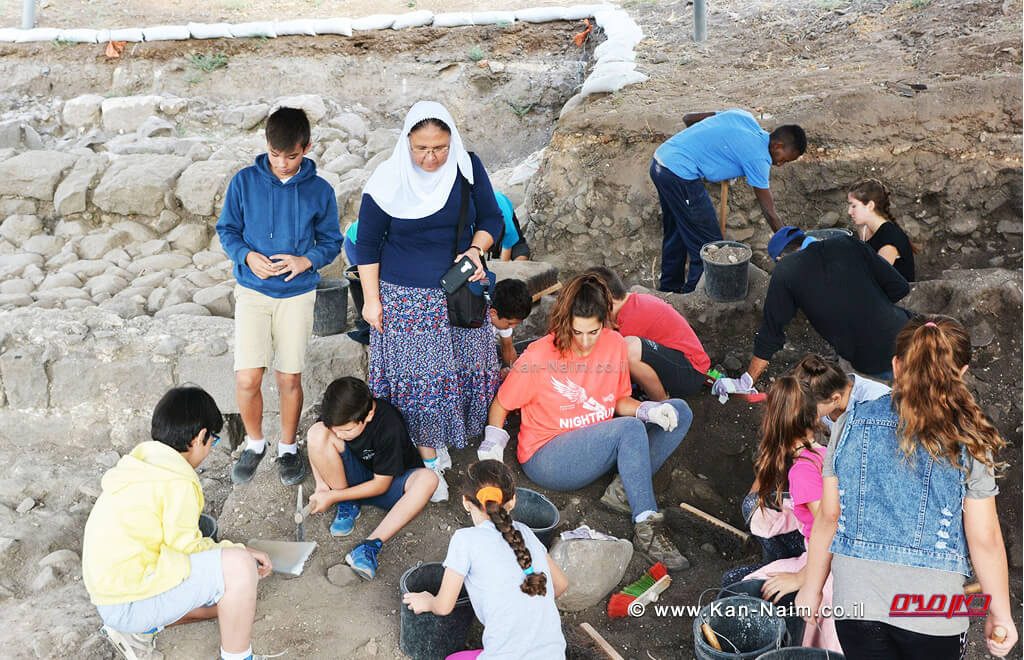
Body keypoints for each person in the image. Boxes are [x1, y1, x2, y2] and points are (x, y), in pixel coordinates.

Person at [797, 316, 1017, 659]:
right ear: (960, 373)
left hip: (857, 604)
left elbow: (829, 516)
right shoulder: (970, 438)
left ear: (897, 366)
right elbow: (984, 539)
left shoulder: (849, 423)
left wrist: (811, 588)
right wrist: (999, 612)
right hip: (931, 609)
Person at [481, 274, 693, 569]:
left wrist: (649, 411)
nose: (584, 342)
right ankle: (647, 526)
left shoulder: (614, 344)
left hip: (596, 445)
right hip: (549, 457)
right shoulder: (541, 354)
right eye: (576, 332)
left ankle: (622, 492)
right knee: (629, 429)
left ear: (604, 321)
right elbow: (502, 404)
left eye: (592, 332)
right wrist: (493, 441)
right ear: (565, 321)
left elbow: (618, 400)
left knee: (680, 410)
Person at [353, 101, 504, 503]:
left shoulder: (467, 167)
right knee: (421, 382)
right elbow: (366, 245)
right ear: (406, 142)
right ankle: (430, 459)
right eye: (421, 148)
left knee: (466, 368)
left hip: (460, 293)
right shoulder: (388, 180)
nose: (431, 157)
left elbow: (493, 219)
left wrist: (476, 250)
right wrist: (371, 302)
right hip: (406, 298)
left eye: (439, 147)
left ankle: (456, 437)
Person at [82, 386, 274, 660]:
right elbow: (188, 548)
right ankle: (238, 656)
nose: (210, 450)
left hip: (112, 596)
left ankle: (143, 628)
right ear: (200, 437)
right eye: (213, 441)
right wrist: (240, 552)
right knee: (240, 569)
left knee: (225, 588)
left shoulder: (142, 463)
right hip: (129, 604)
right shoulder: (178, 482)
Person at [216, 107, 343, 486]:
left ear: (307, 148)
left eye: (292, 156)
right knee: (247, 379)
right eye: (276, 155)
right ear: (266, 147)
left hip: (297, 295)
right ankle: (255, 444)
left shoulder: (320, 190)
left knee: (289, 378)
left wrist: (306, 260)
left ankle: (288, 448)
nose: (284, 164)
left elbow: (332, 242)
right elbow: (227, 231)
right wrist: (247, 256)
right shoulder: (243, 183)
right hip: (252, 292)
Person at [713, 226, 912, 399]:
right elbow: (899, 287)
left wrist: (746, 381)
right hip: (910, 336)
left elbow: (770, 335)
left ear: (781, 257)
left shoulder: (786, 271)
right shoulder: (848, 243)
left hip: (868, 362)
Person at [402, 460, 568, 659]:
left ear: (465, 502)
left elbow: (444, 606)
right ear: (513, 500)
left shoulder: (465, 540)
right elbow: (561, 585)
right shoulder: (526, 534)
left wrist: (429, 602)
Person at [722, 377, 841, 652]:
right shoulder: (823, 453)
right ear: (814, 416)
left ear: (771, 421)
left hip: (827, 566)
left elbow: (832, 525)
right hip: (825, 557)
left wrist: (803, 579)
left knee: (736, 588)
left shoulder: (802, 471)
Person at [651, 108, 807, 293]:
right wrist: (788, 243)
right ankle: (693, 298)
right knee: (709, 246)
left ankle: (669, 290)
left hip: (661, 162)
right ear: (777, 146)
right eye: (784, 160)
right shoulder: (759, 158)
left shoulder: (744, 117)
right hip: (679, 175)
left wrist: (716, 155)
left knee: (676, 231)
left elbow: (690, 119)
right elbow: (769, 211)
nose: (780, 164)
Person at [305, 377, 438, 580]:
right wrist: (322, 487)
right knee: (316, 432)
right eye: (335, 429)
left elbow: (380, 485)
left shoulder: (388, 424)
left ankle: (369, 545)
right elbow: (316, 446)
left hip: (390, 485)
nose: (339, 435)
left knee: (428, 480)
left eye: (346, 430)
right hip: (352, 479)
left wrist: (333, 497)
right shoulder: (338, 415)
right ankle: (348, 502)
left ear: (368, 415)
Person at [585, 265, 710, 399]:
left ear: (610, 300)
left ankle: (661, 404)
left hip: (691, 372)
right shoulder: (631, 303)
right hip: (679, 363)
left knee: (628, 350)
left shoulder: (631, 318)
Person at [791, 353, 890, 432]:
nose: (801, 411)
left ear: (835, 399)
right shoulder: (826, 395)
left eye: (809, 408)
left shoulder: (876, 405)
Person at [847, 178, 916, 281]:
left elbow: (875, 279)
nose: (849, 211)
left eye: (854, 206)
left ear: (870, 206)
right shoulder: (864, 228)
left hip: (896, 295)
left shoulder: (890, 239)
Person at [489, 278, 532, 370]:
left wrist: (514, 373)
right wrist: (498, 375)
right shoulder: (477, 327)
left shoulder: (503, 313)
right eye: (510, 323)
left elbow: (507, 346)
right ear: (493, 313)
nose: (513, 327)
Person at [492, 190, 531, 261]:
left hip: (507, 220)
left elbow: (510, 235)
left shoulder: (500, 209)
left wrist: (504, 268)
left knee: (522, 254)